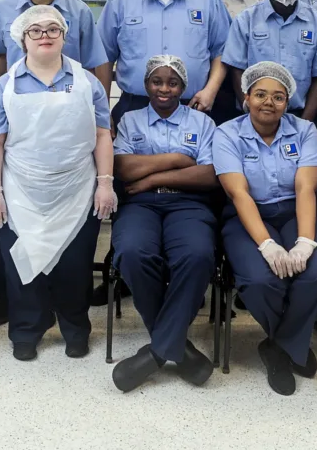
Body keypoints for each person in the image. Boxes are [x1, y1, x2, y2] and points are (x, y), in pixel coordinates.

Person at [0, 0, 109, 326]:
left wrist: (97, 110)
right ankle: (17, 306)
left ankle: (70, 311)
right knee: (14, 231)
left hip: (70, 120)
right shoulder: (3, 7)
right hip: (23, 132)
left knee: (73, 240)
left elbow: (98, 63)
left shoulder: (79, 11)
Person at [213, 61, 317, 396]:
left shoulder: (305, 131)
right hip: (248, 215)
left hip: (298, 211)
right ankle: (294, 343)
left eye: (278, 96)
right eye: (261, 94)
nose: (269, 102)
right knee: (258, 279)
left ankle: (280, 347)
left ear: (288, 101)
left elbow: (305, 189)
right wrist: (267, 244)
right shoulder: (227, 133)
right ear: (247, 97)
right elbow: (238, 193)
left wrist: (305, 240)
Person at [110, 55, 219, 392]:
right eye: (157, 81)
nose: (164, 89)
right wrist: (176, 160)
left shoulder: (202, 123)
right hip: (140, 205)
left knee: (199, 255)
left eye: (173, 83)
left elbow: (209, 174)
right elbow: (124, 170)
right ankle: (176, 346)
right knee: (130, 251)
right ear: (146, 85)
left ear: (183, 88)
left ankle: (157, 351)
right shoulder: (129, 120)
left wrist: (148, 177)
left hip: (189, 203)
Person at [99, 0, 231, 129]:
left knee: (195, 163)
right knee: (129, 163)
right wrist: (103, 111)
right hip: (134, 109)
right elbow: (103, 58)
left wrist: (210, 91)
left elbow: (222, 50)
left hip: (194, 108)